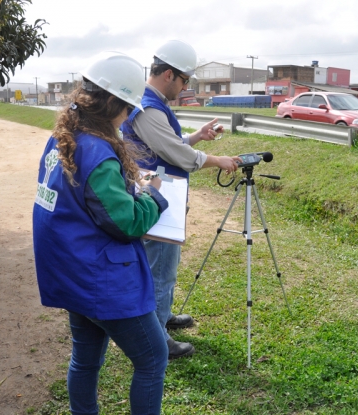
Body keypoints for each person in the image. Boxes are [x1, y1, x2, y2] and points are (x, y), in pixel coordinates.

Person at [33, 52, 169, 415]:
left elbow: (80, 201)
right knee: (153, 358)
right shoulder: (98, 153)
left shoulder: (64, 137)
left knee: (86, 359)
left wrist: (127, 188)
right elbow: (127, 224)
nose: (126, 119)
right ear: (111, 104)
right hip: (101, 279)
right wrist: (154, 197)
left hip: (70, 272)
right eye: (126, 110)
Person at [121, 40, 241, 360]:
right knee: (160, 267)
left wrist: (197, 136)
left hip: (158, 189)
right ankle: (157, 334)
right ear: (169, 75)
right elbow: (176, 153)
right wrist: (216, 159)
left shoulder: (151, 101)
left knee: (163, 262)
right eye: (185, 81)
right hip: (156, 195)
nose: (185, 88)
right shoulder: (147, 106)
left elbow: (168, 143)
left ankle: (162, 315)